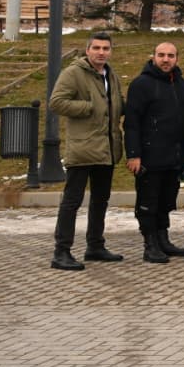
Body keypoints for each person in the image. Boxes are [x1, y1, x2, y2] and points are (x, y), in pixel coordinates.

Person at [49, 32, 125, 271]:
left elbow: (116, 104)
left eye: (106, 48)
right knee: (72, 201)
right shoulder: (74, 73)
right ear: (88, 50)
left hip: (107, 148)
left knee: (101, 200)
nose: (101, 52)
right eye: (97, 48)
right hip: (82, 148)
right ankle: (61, 251)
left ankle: (95, 245)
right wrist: (90, 107)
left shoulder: (110, 74)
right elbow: (57, 102)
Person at [124, 42, 184, 264]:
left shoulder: (181, 84)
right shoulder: (141, 84)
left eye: (171, 56)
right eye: (161, 55)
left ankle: (163, 240)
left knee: (166, 201)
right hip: (149, 157)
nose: (166, 59)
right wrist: (133, 154)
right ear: (153, 56)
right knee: (148, 203)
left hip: (173, 156)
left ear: (177, 59)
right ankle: (150, 244)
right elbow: (132, 123)